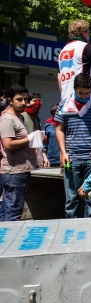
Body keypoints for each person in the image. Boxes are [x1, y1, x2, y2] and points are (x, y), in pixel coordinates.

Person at [55, 73, 91, 218]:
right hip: (72, 158)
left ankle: (89, 229)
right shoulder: (64, 105)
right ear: (74, 89)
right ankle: (70, 229)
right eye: (81, 93)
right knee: (71, 199)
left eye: (87, 93)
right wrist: (63, 152)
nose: (85, 96)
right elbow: (59, 129)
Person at [0, 85, 38, 221]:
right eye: (19, 99)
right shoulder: (7, 119)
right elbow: (8, 144)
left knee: (9, 210)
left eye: (25, 99)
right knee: (12, 213)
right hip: (14, 173)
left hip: (20, 172)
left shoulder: (19, 117)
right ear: (10, 100)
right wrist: (29, 138)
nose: (24, 103)